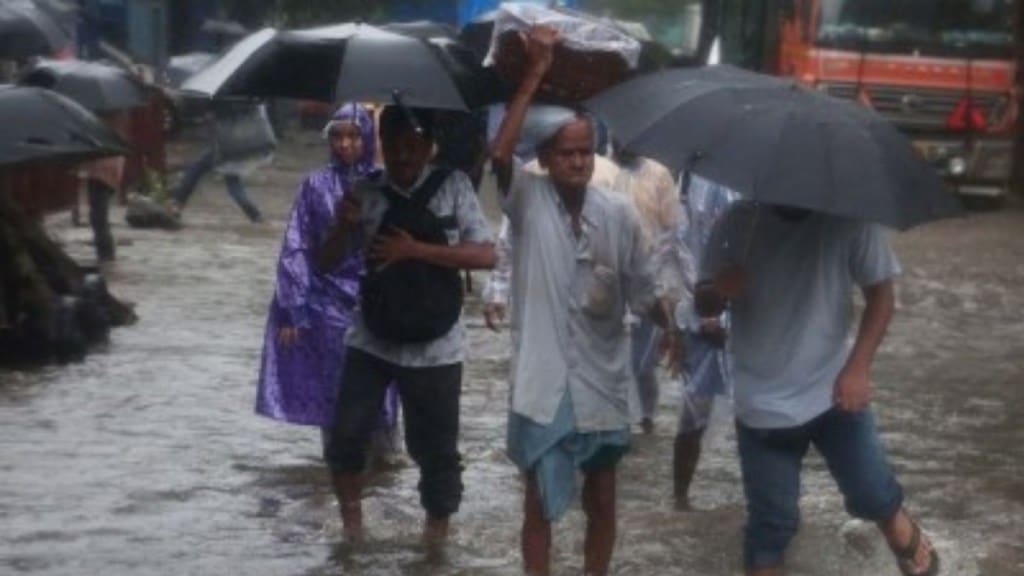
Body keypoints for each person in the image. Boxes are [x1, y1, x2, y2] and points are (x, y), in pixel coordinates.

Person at [490, 26, 681, 576]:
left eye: (584, 152)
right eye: (565, 153)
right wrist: (535, 74)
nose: (576, 162)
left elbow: (644, 285)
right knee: (538, 505)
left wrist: (670, 324)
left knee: (602, 500)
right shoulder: (526, 199)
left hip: (601, 377)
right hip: (543, 382)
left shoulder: (616, 213)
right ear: (546, 160)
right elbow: (500, 152)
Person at [697, 203, 939, 576]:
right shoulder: (738, 221)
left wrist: (858, 368)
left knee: (873, 494)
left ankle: (906, 536)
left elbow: (882, 296)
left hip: (834, 392)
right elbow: (702, 301)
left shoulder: (848, 218)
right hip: (761, 404)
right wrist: (718, 292)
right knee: (771, 527)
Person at [320, 105, 495, 543]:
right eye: (393, 147)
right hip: (372, 336)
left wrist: (416, 250)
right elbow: (323, 263)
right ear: (381, 145)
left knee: (436, 452)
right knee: (344, 437)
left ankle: (434, 540)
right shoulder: (364, 192)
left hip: (437, 344)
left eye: (411, 148)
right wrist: (341, 228)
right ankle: (352, 531)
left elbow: (486, 255)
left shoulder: (453, 187)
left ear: (428, 147)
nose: (402, 157)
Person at [255, 103, 399, 459]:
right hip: (325, 304)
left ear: (367, 138)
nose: (345, 144)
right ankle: (338, 467)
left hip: (374, 302)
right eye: (337, 136)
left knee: (382, 390)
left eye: (353, 135)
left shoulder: (386, 184)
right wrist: (293, 309)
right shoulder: (314, 186)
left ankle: (384, 461)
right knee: (330, 391)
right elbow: (296, 246)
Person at [610, 146, 692, 434]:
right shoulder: (599, 170)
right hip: (609, 281)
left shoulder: (658, 175)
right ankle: (617, 420)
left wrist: (676, 289)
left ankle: (645, 418)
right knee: (611, 358)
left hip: (650, 282)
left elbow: (673, 233)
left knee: (641, 362)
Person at [672, 173, 740, 509]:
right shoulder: (690, 175)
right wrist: (701, 311)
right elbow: (679, 244)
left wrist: (726, 314)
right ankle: (680, 497)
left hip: (750, 319)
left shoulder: (759, 182)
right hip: (700, 316)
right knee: (693, 409)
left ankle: (767, 499)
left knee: (761, 415)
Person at [169, 100, 273, 223]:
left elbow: (211, 116)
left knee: (197, 170)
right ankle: (256, 216)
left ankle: (177, 204)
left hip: (225, 144)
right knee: (233, 181)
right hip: (246, 143)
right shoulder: (249, 97)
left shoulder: (221, 96)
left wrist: (206, 115)